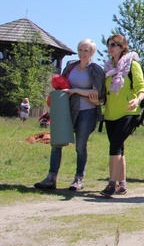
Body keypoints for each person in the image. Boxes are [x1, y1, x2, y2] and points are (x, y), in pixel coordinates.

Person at [34, 39, 105, 191]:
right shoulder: (71, 66)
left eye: (86, 50)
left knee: (80, 146)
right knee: (56, 143)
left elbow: (96, 93)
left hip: (87, 112)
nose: (82, 53)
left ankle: (79, 179)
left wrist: (75, 91)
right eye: (80, 49)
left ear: (92, 52)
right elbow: (62, 85)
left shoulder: (95, 69)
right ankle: (51, 178)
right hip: (67, 109)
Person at [100, 34, 144, 197]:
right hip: (111, 114)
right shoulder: (108, 67)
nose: (111, 47)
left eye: (114, 44)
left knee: (114, 146)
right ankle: (123, 184)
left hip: (129, 112)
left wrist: (137, 100)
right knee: (119, 148)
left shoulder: (132, 65)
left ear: (122, 47)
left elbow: (142, 88)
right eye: (109, 45)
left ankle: (111, 184)